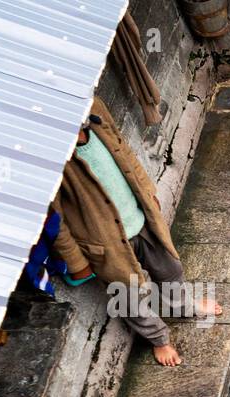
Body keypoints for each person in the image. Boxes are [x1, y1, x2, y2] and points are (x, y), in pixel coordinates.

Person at [50, 96, 220, 366]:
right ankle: (159, 339)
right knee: (126, 293)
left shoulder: (95, 110)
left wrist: (147, 190)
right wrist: (76, 261)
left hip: (138, 216)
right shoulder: (53, 158)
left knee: (169, 268)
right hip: (103, 241)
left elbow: (124, 151)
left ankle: (185, 306)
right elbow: (55, 218)